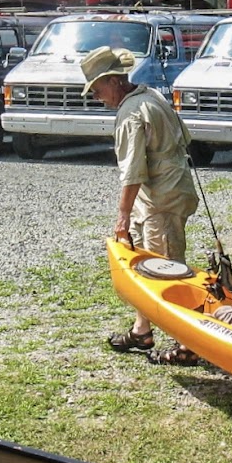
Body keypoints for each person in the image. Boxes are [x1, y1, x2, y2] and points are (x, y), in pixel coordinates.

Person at [82, 44, 201, 366]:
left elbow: (133, 172)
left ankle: (187, 343)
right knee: (146, 264)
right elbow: (184, 137)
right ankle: (142, 330)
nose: (96, 96)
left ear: (114, 81)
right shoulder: (151, 95)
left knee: (167, 270)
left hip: (161, 199)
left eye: (97, 89)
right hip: (165, 193)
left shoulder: (131, 113)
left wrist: (122, 217)